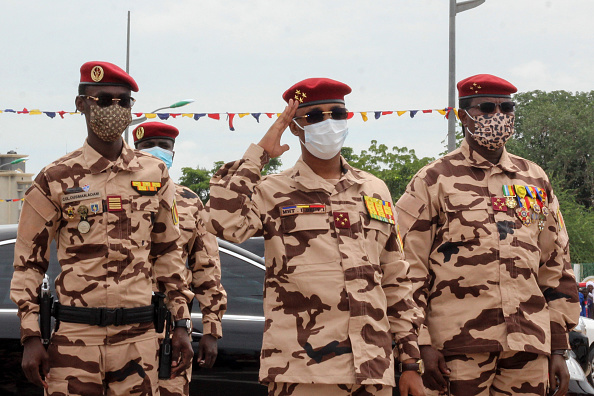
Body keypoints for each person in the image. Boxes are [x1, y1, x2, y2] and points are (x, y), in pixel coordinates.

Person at [206, 78, 425, 396]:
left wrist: (409, 362)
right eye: (315, 116)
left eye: (337, 114)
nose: (329, 123)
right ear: (294, 127)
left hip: (374, 368)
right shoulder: (272, 191)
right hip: (303, 370)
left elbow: (395, 280)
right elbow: (222, 222)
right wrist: (259, 154)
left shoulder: (373, 190)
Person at [10, 61, 194, 395]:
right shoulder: (55, 177)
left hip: (139, 339)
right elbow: (28, 264)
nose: (114, 108)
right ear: (81, 104)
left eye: (123, 101)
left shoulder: (154, 174)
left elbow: (169, 253)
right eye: (103, 99)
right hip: (76, 340)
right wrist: (30, 335)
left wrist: (181, 324)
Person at [394, 74, 579, 396]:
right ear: (463, 115)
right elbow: (407, 267)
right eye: (487, 107)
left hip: (529, 343)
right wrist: (419, 344)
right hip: (454, 346)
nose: (499, 115)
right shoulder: (433, 179)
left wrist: (559, 347)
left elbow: (555, 264)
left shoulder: (534, 178)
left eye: (507, 108)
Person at [133, 121, 227, 395]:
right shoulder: (117, 195)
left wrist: (211, 329)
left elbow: (206, 268)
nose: (157, 152)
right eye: (148, 146)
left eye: (164, 147)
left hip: (172, 326)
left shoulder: (188, 201)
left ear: (173, 153)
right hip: (121, 320)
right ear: (135, 150)